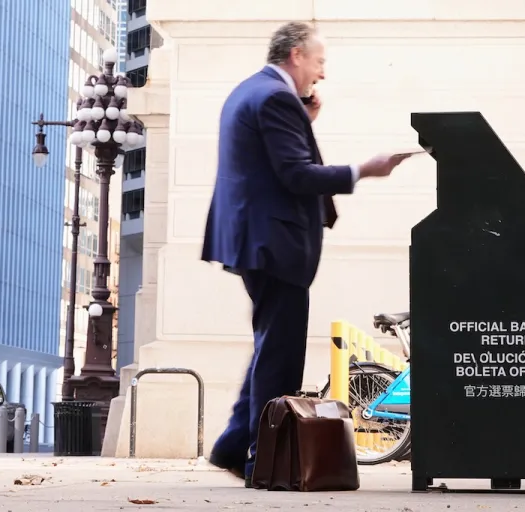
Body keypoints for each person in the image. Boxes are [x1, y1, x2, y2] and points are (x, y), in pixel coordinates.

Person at [201, 21, 410, 486]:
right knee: (279, 354)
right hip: (275, 243)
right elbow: (296, 175)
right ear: (296, 55)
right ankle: (265, 462)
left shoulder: (254, 92)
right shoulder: (274, 97)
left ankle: (235, 445)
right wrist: (364, 170)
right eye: (319, 62)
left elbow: (271, 162)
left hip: (256, 239)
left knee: (268, 347)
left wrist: (305, 121)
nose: (322, 74)